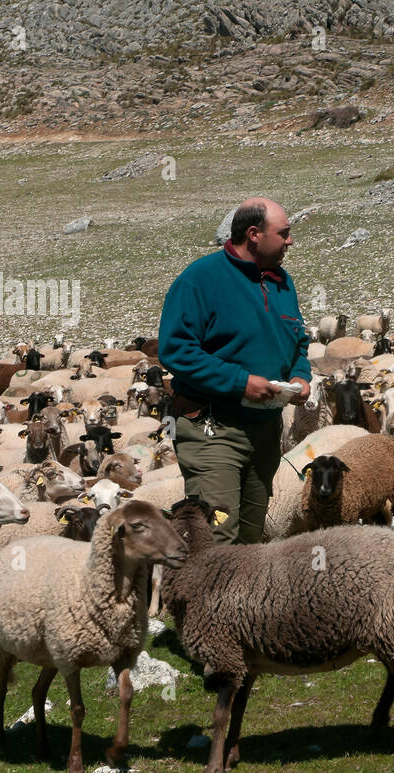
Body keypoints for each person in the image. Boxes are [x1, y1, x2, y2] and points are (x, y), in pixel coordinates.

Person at [157, 197, 311, 544]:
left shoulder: (281, 283)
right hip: (214, 429)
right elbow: (175, 349)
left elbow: (298, 341)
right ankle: (196, 598)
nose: (290, 241)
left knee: (251, 538)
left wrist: (301, 377)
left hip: (265, 431)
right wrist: (240, 382)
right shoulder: (200, 280)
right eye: (284, 233)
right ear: (254, 234)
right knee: (216, 537)